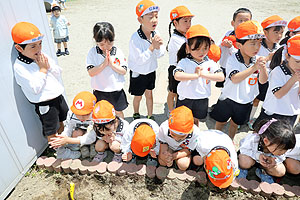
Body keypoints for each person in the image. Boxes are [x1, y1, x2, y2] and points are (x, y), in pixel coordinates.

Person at [210, 20, 268, 139]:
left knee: (235, 124)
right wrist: (254, 68)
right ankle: (216, 137)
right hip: (229, 98)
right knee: (221, 121)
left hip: (246, 100)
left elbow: (263, 81)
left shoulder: (256, 59)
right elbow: (235, 79)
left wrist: (262, 68)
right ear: (239, 45)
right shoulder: (233, 59)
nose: (257, 47)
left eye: (259, 43)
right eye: (252, 44)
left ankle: (230, 139)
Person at [12, 22, 68, 142]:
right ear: (19, 48)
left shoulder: (42, 56)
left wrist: (49, 67)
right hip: (45, 104)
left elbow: (58, 73)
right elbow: (35, 88)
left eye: (40, 44)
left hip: (58, 97)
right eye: (33, 46)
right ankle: (59, 151)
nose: (38, 49)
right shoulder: (20, 67)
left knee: (62, 120)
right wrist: (43, 70)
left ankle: (65, 142)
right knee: (51, 129)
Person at [174, 25, 224, 126]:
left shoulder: (210, 62)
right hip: (186, 97)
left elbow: (221, 77)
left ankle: (194, 136)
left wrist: (205, 75)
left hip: (202, 98)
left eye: (205, 48)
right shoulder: (184, 62)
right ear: (188, 48)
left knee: (196, 120)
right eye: (197, 49)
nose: (202, 52)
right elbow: (177, 75)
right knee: (183, 121)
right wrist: (195, 76)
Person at [248, 15, 287, 129]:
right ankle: (250, 118)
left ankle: (260, 120)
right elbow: (252, 60)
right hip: (258, 77)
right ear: (265, 32)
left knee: (267, 101)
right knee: (255, 98)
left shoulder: (280, 48)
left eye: (281, 33)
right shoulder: (258, 45)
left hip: (273, 80)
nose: (279, 36)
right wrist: (267, 58)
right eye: (276, 32)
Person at [128, 0, 165, 120]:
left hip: (151, 70)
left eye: (156, 16)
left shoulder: (156, 33)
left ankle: (150, 115)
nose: (154, 20)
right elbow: (139, 60)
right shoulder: (135, 38)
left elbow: (161, 54)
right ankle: (136, 112)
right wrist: (152, 47)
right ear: (140, 20)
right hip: (138, 72)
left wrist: (158, 47)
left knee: (149, 94)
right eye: (150, 17)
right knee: (138, 96)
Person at [253, 35, 300, 128]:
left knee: (282, 141)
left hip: (291, 113)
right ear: (287, 56)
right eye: (297, 62)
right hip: (274, 111)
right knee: (263, 137)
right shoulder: (278, 71)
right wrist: (294, 79)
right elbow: (278, 94)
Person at [87, 22, 128, 119]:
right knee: (101, 113)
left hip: (116, 90)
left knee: (118, 112)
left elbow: (123, 71)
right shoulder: (93, 53)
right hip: (100, 91)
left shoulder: (118, 52)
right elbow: (91, 72)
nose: (106, 47)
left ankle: (121, 130)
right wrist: (104, 64)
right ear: (96, 41)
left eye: (110, 43)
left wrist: (112, 64)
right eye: (102, 44)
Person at [238, 119, 296, 183]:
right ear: (266, 141)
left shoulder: (282, 147)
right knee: (244, 163)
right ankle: (243, 170)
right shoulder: (253, 140)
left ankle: (263, 172)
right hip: (251, 158)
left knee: (280, 171)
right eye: (280, 150)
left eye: (286, 150)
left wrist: (274, 161)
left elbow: (282, 157)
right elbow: (243, 150)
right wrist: (257, 156)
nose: (283, 153)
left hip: (265, 164)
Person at [48, 91, 97, 159]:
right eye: (78, 114)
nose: (82, 118)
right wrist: (62, 137)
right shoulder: (71, 114)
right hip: (82, 131)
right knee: (76, 133)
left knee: (96, 141)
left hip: (94, 134)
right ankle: (80, 147)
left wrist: (68, 140)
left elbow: (92, 137)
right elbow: (68, 128)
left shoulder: (96, 115)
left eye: (86, 114)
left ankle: (92, 146)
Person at [166, 5, 194, 114]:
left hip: (183, 68)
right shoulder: (176, 39)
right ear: (175, 23)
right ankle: (171, 111)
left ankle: (178, 109)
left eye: (190, 21)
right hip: (175, 68)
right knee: (173, 92)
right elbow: (189, 51)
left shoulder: (185, 35)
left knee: (180, 91)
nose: (188, 24)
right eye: (185, 21)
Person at [215, 8, 252, 88]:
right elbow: (218, 47)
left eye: (246, 20)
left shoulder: (249, 39)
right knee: (224, 89)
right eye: (240, 20)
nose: (243, 23)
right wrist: (223, 44)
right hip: (225, 66)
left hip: (239, 68)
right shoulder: (228, 33)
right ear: (233, 23)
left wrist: (231, 47)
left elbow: (244, 55)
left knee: (236, 87)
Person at [158, 106, 201, 171]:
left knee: (183, 165)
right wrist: (165, 156)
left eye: (182, 137)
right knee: (162, 161)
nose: (177, 139)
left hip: (183, 149)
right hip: (170, 147)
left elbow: (189, 150)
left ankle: (178, 161)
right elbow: (163, 144)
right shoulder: (164, 127)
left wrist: (173, 156)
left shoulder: (196, 132)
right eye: (173, 135)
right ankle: (173, 162)